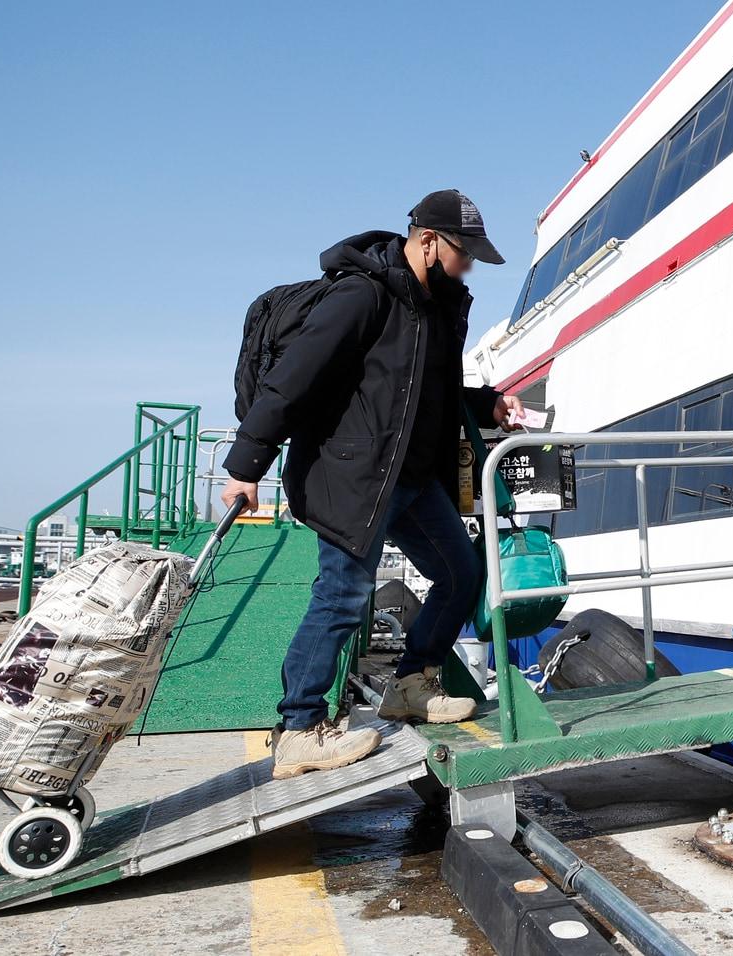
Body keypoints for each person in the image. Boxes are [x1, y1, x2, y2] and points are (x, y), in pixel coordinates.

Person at [221, 189, 523, 778]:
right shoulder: (363, 296)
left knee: (461, 573)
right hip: (352, 475)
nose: (469, 266)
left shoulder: (436, 310)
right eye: (464, 253)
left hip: (409, 479)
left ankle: (411, 684)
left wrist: (488, 406)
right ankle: (299, 729)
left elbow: (426, 393)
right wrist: (244, 467)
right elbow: (292, 380)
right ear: (428, 240)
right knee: (341, 598)